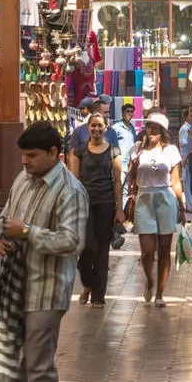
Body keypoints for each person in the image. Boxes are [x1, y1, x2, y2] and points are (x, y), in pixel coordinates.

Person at [0, 122, 88, 382]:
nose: (26, 162)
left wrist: (28, 233)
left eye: (32, 155)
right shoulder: (23, 180)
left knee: (39, 368)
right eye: (23, 155)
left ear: (53, 153)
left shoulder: (70, 190)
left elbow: (72, 241)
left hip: (47, 290)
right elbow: (5, 220)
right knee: (22, 367)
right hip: (17, 284)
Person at [126, 113, 185, 305]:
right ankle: (150, 280)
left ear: (163, 132)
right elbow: (130, 178)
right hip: (144, 198)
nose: (151, 130)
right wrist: (133, 168)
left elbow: (176, 181)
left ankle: (160, 293)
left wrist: (181, 207)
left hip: (165, 198)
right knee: (147, 251)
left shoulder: (171, 151)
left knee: (165, 249)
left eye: (155, 128)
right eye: (149, 126)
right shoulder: (137, 149)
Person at [68, 110, 123, 308]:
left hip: (106, 203)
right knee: (86, 246)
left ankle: (98, 296)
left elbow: (117, 181)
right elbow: (74, 180)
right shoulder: (80, 151)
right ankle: (88, 283)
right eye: (93, 125)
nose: (97, 129)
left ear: (105, 128)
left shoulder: (113, 151)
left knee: (102, 250)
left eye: (100, 125)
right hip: (85, 204)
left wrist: (119, 209)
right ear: (88, 127)